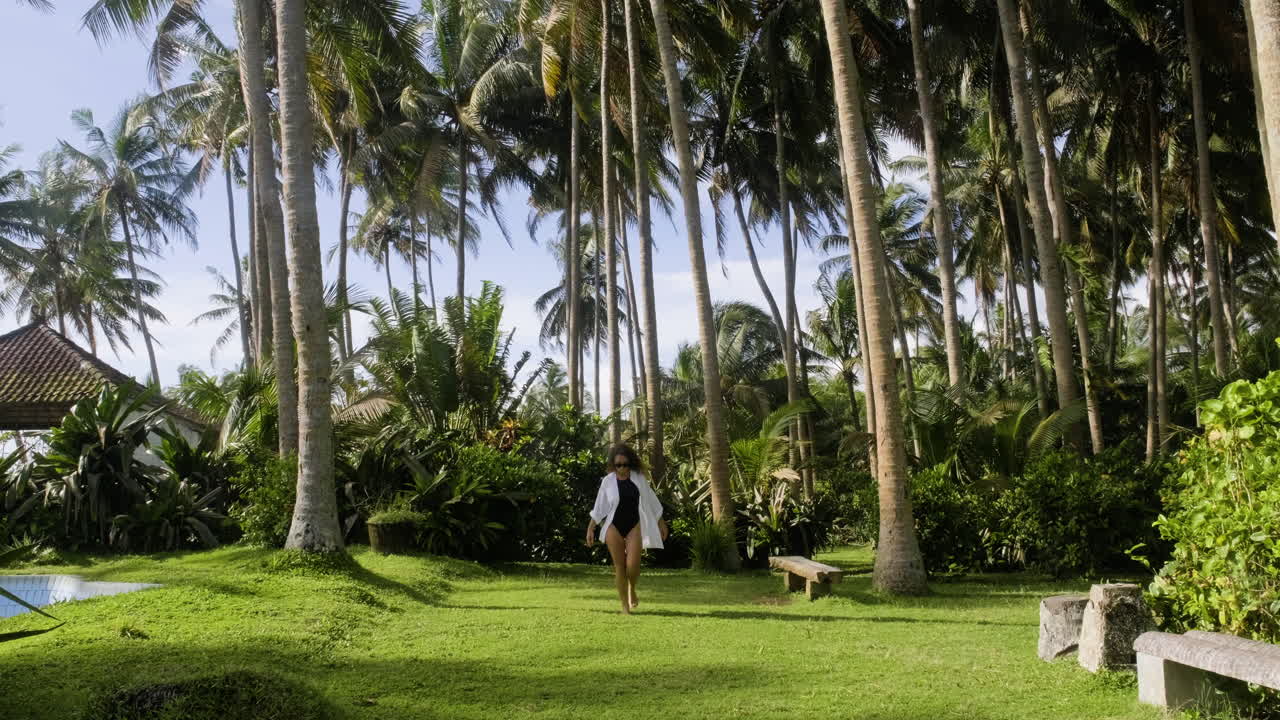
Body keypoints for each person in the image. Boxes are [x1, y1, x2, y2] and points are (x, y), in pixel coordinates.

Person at [586, 445, 668, 614]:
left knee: (632, 566)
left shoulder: (638, 479)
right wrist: (590, 529)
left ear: (631, 463)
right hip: (613, 527)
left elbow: (651, 501)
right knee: (619, 566)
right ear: (613, 465)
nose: (622, 468)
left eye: (625, 464)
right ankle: (624, 606)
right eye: (618, 465)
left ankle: (632, 588)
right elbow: (599, 507)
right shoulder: (607, 481)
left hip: (634, 526)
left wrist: (661, 522)